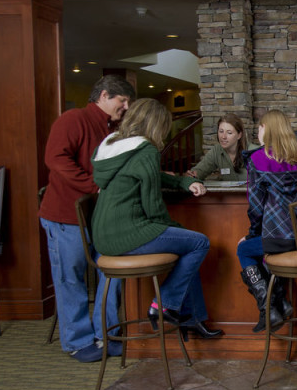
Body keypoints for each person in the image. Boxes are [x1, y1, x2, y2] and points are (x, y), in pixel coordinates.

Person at [91, 98, 223, 341]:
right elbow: (153, 208)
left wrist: (184, 181)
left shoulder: (112, 146)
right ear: (156, 125)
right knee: (198, 242)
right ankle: (163, 304)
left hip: (102, 237)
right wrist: (174, 228)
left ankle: (193, 318)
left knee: (186, 246)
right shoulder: (146, 150)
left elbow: (155, 177)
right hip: (128, 233)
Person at [38, 74, 135, 362]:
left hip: (99, 217)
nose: (126, 106)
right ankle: (78, 342)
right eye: (123, 100)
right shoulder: (73, 119)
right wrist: (94, 185)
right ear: (104, 96)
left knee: (112, 272)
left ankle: (104, 334)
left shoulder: (112, 128)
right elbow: (56, 159)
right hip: (64, 217)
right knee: (71, 279)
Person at [237, 110, 297, 332]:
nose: (258, 131)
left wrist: (253, 234)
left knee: (244, 250)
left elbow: (255, 206)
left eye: (260, 127)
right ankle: (279, 302)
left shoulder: (257, 159)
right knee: (268, 251)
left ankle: (268, 307)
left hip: (279, 238)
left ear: (267, 128)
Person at [184, 114, 255, 181]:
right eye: (221, 131)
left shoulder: (254, 152)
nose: (223, 136)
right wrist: (192, 175)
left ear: (239, 135)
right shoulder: (217, 150)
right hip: (229, 194)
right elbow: (200, 171)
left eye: (229, 132)